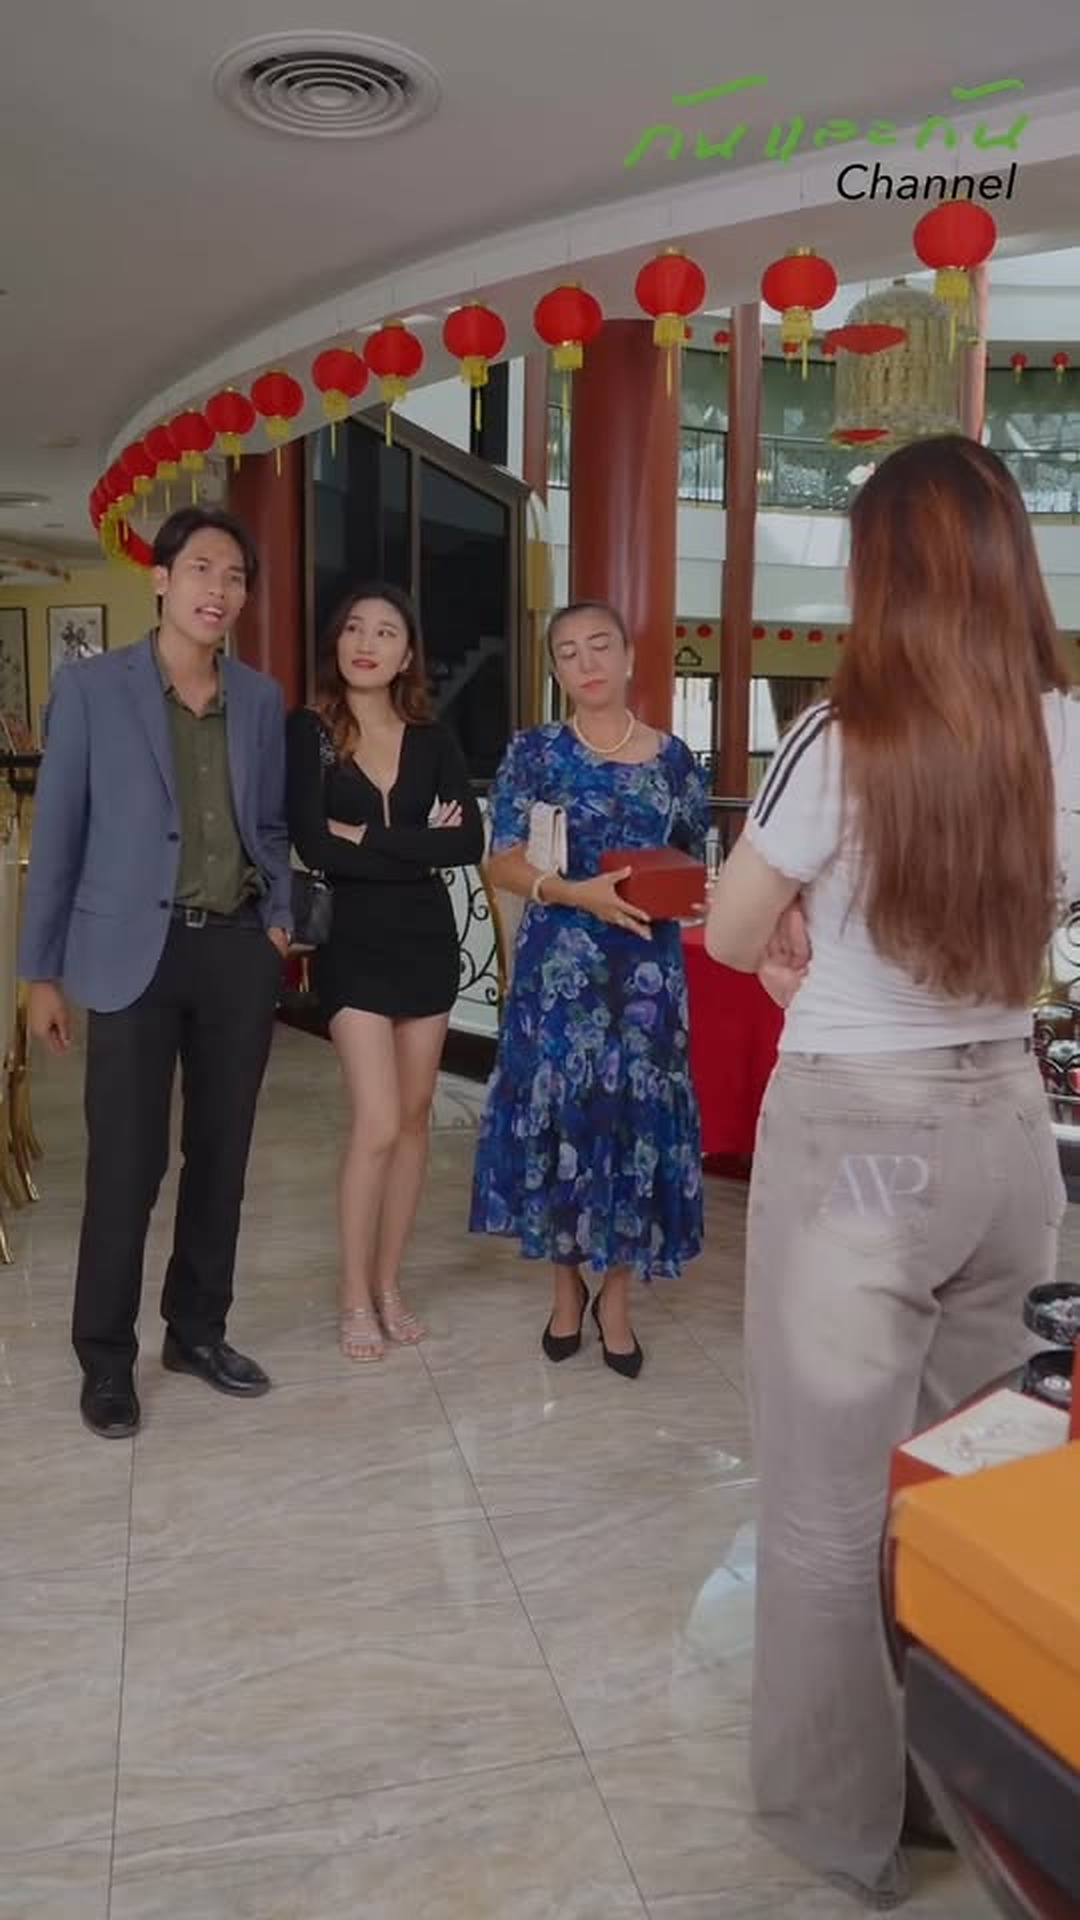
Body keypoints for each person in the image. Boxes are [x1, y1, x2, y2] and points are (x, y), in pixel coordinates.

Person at [703, 435, 1079, 1908]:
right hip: (1010, 1141)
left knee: (823, 1508)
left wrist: (797, 943)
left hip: (860, 1151)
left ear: (883, 576)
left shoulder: (840, 736)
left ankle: (841, 1824)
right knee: (969, 1480)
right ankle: (967, 1796)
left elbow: (733, 932)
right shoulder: (1068, 734)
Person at [19, 505, 294, 1439]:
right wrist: (40, 972)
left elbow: (270, 825)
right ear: (163, 579)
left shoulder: (258, 699)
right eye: (204, 569)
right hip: (128, 953)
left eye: (236, 576)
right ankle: (106, 1358)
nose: (221, 589)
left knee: (222, 1156)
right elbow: (59, 834)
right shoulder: (92, 690)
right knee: (126, 1165)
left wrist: (278, 918)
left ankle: (197, 1332)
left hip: (234, 950)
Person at [470, 600, 708, 1377]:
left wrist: (692, 898)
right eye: (568, 652)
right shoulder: (535, 752)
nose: (587, 662)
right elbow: (502, 861)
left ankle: (617, 1300)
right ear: (556, 671)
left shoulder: (675, 760)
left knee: (633, 1126)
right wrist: (576, 894)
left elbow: (689, 859)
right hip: (559, 975)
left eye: (600, 645)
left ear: (630, 656)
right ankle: (565, 1286)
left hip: (646, 977)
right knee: (564, 1122)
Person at [286, 584, 483, 1361]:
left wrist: (362, 833)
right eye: (355, 629)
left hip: (427, 941)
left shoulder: (433, 740)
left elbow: (464, 843)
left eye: (386, 632)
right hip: (353, 943)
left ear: (407, 655)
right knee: (375, 1121)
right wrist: (411, 843)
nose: (367, 643)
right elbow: (313, 844)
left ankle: (389, 1283)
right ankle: (351, 1294)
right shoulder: (311, 732)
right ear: (337, 643)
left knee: (414, 1117)